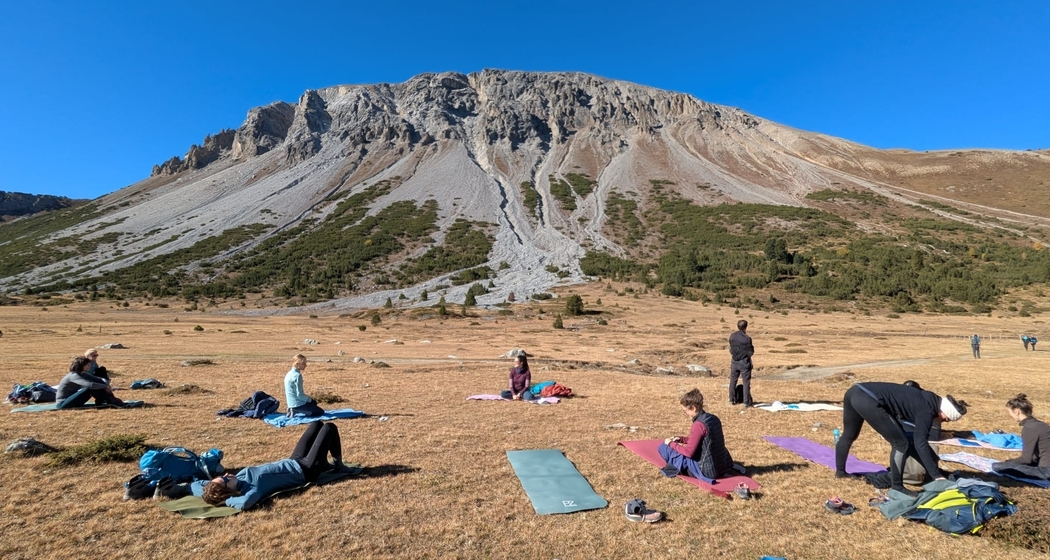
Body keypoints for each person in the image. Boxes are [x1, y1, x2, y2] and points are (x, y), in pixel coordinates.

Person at [835, 381, 967, 496]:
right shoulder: (927, 410)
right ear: (944, 413)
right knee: (900, 444)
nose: (943, 422)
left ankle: (840, 472)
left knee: (849, 435)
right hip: (869, 399)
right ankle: (897, 487)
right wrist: (937, 476)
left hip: (855, 391)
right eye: (946, 420)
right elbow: (920, 443)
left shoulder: (928, 398)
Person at [198, 421, 346, 509]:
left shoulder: (238, 478)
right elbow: (245, 503)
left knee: (316, 424)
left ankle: (324, 464)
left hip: (293, 461)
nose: (226, 475)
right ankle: (339, 465)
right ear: (228, 491)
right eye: (225, 480)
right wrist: (226, 501)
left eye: (222, 476)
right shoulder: (253, 489)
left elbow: (198, 485)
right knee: (329, 428)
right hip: (305, 470)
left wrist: (192, 487)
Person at [658, 389, 735, 480]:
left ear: (693, 408)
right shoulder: (714, 418)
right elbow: (703, 440)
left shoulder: (699, 425)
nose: (685, 413)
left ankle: (679, 467)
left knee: (663, 447)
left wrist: (670, 444)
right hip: (722, 467)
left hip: (707, 471)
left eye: (685, 411)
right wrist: (681, 439)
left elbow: (689, 453)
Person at [991, 394, 1050, 481]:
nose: (1010, 415)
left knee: (997, 466)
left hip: (1046, 471)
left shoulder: (1029, 428)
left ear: (1016, 412)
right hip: (1043, 464)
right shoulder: (1040, 424)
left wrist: (1008, 463)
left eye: (1010, 412)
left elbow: (1026, 459)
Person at [55, 356, 126, 408]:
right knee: (89, 388)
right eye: (87, 365)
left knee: (97, 385)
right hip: (63, 404)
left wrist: (105, 384)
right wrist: (105, 386)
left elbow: (98, 380)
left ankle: (105, 401)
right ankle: (106, 401)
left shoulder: (83, 374)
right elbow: (89, 385)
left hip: (73, 400)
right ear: (81, 366)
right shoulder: (73, 376)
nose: (90, 366)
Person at [728, 320, 754, 407]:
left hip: (734, 361)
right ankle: (746, 402)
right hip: (744, 362)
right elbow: (751, 352)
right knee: (746, 382)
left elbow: (731, 349)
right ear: (746, 327)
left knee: (733, 381)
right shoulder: (747, 338)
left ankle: (731, 399)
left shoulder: (732, 336)